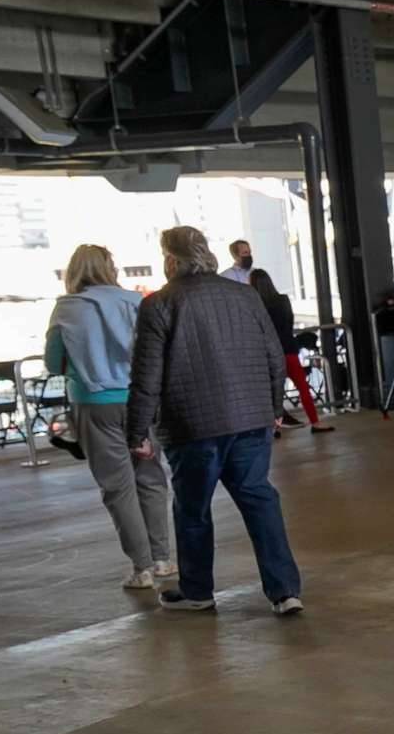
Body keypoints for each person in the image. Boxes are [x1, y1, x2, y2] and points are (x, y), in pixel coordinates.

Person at [124, 225, 304, 616]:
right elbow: (274, 355)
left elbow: (146, 376)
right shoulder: (245, 295)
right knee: (260, 500)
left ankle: (197, 591)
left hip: (192, 426)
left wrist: (136, 432)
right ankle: (285, 591)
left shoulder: (159, 305)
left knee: (193, 509)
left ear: (171, 260)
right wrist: (273, 406)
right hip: (251, 420)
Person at [46, 243, 174, 589]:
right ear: (111, 268)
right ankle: (163, 559)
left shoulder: (66, 310)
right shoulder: (136, 303)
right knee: (150, 476)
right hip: (142, 399)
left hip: (95, 403)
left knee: (118, 487)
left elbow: (52, 362)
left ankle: (142, 567)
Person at [248, 267, 332, 434]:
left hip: (268, 354)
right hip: (289, 348)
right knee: (302, 387)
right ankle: (315, 422)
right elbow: (289, 322)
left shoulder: (255, 304)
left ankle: (274, 427)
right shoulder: (283, 300)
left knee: (271, 392)